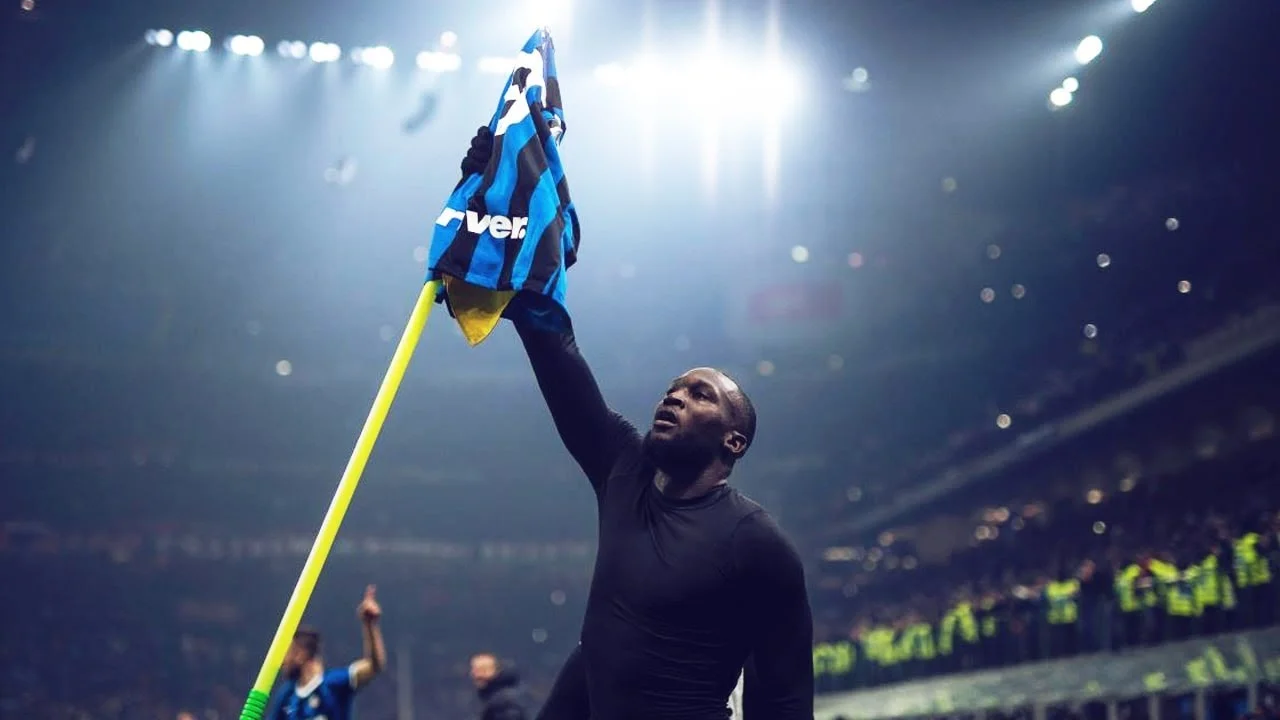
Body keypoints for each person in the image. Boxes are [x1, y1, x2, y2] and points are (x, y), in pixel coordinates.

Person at [457, 130, 815, 719]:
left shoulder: (756, 543)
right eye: (674, 387)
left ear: (734, 441)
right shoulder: (625, 469)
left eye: (700, 395)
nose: (675, 396)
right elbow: (555, 352)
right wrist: (498, 198)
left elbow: (785, 699)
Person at [270, 585, 386, 720]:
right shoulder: (286, 697)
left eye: (287, 653)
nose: (283, 660)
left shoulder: (334, 683)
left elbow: (374, 666)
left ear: (301, 655)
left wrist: (370, 626)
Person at [470, 652, 531, 720]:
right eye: (474, 670)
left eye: (479, 670)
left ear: (492, 671)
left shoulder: (504, 701)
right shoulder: (494, 698)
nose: (473, 674)